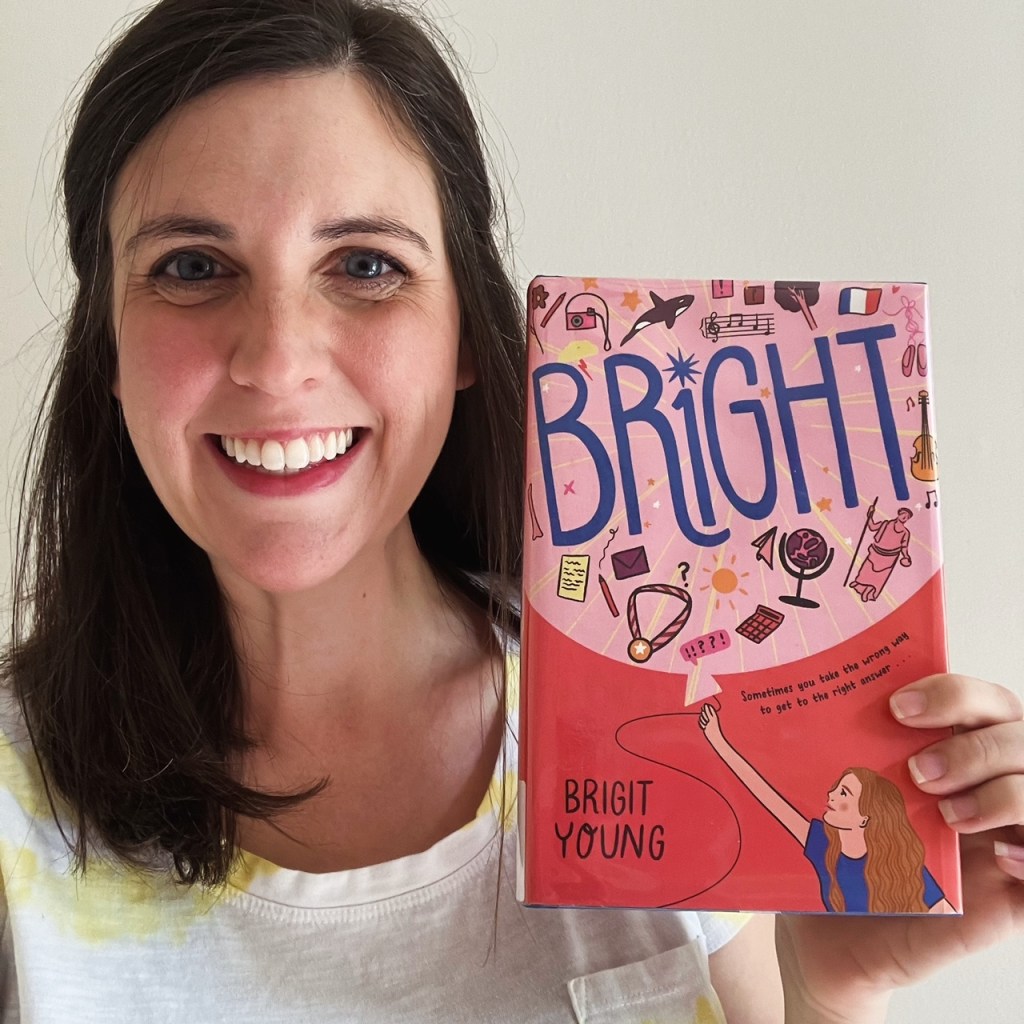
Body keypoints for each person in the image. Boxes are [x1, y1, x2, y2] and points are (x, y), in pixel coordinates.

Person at [1, 2, 1022, 1021]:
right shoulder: (15, 798)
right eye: (190, 267)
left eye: (365, 266)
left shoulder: (661, 708)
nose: (276, 360)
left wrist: (833, 992)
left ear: (464, 332)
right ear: (107, 347)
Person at [698, 705, 954, 914]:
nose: (830, 795)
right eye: (836, 788)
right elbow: (766, 796)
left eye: (844, 793)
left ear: (865, 818)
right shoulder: (824, 844)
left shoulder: (901, 865)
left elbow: (946, 918)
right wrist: (718, 742)